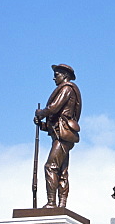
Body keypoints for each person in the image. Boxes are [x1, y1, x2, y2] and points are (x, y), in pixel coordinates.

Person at [34, 64, 82, 209]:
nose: (54, 77)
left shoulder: (67, 88)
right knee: (62, 171)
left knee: (51, 166)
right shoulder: (68, 89)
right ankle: (61, 205)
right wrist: (42, 125)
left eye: (57, 74)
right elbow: (56, 118)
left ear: (65, 76)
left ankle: (52, 203)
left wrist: (40, 113)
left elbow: (54, 108)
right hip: (60, 134)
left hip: (62, 134)